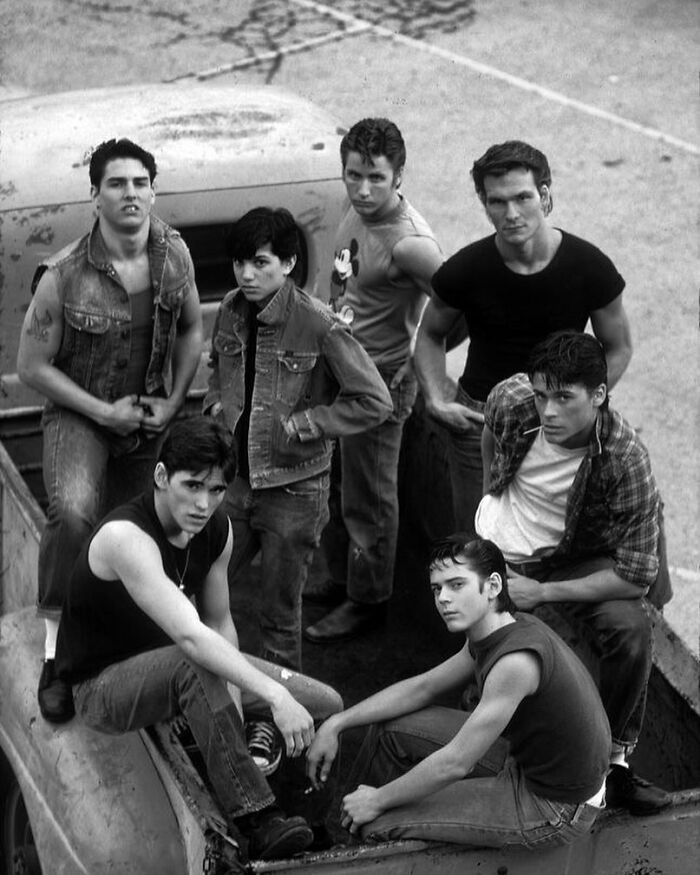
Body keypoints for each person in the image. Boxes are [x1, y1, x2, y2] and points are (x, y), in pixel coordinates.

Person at [54, 417, 343, 862]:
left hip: (172, 665)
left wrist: (235, 703)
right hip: (102, 688)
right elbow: (192, 638)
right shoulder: (124, 537)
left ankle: (317, 820)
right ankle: (258, 820)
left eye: (216, 490)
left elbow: (220, 623)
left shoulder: (217, 530)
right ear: (161, 476)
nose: (203, 503)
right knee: (198, 665)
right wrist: (271, 694)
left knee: (325, 705)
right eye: (191, 486)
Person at [16, 138, 203, 723]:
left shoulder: (175, 255)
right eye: (116, 184)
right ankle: (56, 654)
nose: (130, 194)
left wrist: (173, 402)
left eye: (139, 183)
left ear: (153, 188)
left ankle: (151, 639)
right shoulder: (64, 275)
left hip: (148, 413)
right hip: (82, 416)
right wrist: (102, 413)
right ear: (94, 194)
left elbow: (193, 329)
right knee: (73, 514)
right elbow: (31, 368)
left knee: (150, 524)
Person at [306, 535, 611, 849]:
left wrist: (379, 800)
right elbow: (423, 687)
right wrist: (336, 723)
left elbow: (455, 763)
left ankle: (364, 835)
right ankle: (353, 827)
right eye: (437, 589)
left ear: (493, 586)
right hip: (529, 764)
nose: (443, 599)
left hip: (554, 806)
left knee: (377, 821)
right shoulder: (498, 629)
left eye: (456, 585)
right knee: (391, 730)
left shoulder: (515, 662)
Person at [475, 330, 671, 815]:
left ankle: (612, 760)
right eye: (543, 395)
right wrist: (487, 504)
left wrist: (542, 591)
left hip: (570, 555)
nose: (549, 412)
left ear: (599, 395)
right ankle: (493, 773)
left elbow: (634, 577)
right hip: (502, 550)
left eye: (564, 398)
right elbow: (488, 435)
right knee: (492, 669)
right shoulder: (512, 400)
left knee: (631, 628)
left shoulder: (625, 460)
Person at [204, 206, 392, 675]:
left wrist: (307, 423)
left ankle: (279, 722)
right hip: (235, 485)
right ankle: (205, 696)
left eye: (261, 263)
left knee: (279, 618)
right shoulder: (228, 310)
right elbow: (217, 372)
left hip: (295, 491)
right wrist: (214, 409)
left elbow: (374, 400)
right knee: (201, 592)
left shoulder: (319, 324)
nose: (247, 274)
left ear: (288, 264)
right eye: (239, 263)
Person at [414, 140, 632, 535]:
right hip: (480, 420)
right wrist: (435, 397)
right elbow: (429, 334)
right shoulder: (466, 269)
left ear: (545, 195)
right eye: (497, 202)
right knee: (478, 542)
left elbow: (618, 348)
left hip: (562, 425)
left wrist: (578, 404)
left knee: (555, 541)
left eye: (522, 197)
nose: (511, 213)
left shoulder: (589, 267)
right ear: (484, 203)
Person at [304, 117, 443, 644]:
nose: (363, 189)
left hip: (378, 378)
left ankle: (368, 601)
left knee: (370, 496)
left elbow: (458, 302)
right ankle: (344, 579)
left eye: (376, 179)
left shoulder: (410, 244)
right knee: (341, 481)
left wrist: (421, 360)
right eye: (354, 175)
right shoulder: (353, 206)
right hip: (340, 365)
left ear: (399, 176)